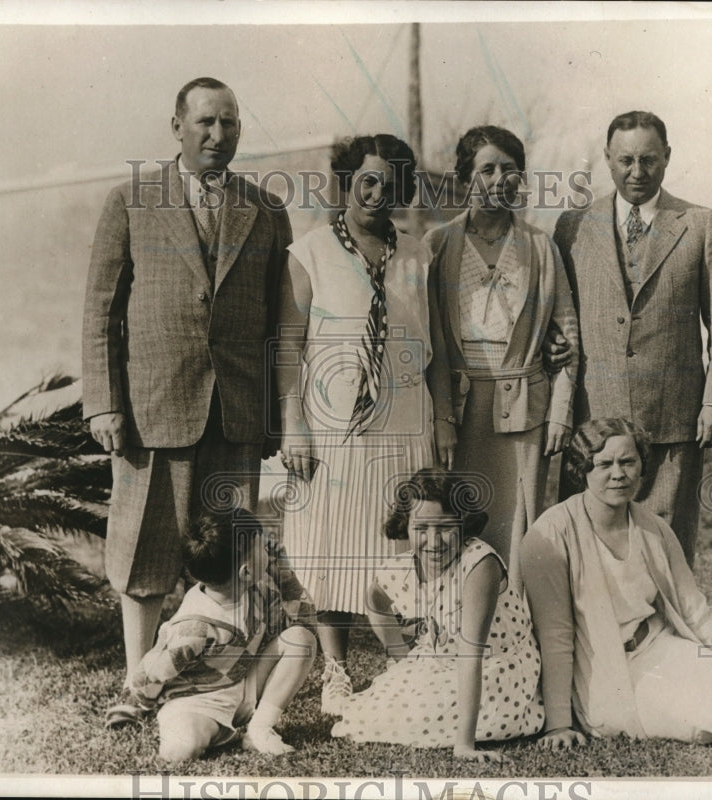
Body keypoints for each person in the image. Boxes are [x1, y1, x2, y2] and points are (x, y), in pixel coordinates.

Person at [82, 77, 292, 728]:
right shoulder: (130, 202)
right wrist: (102, 404)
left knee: (229, 558)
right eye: (204, 122)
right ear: (176, 126)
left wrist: (274, 417)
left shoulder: (265, 211)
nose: (217, 135)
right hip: (152, 412)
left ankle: (212, 689)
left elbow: (275, 328)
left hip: (233, 413)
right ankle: (134, 687)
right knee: (145, 556)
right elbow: (99, 314)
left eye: (229, 123)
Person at [276, 134, 455, 715]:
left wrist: (445, 420)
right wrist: (292, 424)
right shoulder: (310, 252)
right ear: (347, 182)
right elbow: (286, 347)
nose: (378, 195)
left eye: (390, 184)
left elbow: (440, 348)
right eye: (367, 182)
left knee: (399, 539)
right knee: (331, 543)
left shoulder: (417, 255)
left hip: (404, 418)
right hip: (333, 424)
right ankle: (336, 670)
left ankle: (409, 661)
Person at [521, 418, 712, 752]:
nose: (618, 474)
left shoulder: (653, 528)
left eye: (628, 462)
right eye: (604, 464)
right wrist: (559, 723)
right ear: (582, 470)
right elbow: (555, 635)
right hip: (604, 671)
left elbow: (697, 613)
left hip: (661, 648)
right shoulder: (550, 534)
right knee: (708, 718)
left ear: (642, 465)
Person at [552, 111, 712, 567]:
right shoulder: (573, 225)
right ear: (608, 160)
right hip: (595, 418)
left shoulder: (697, 223)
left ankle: (668, 633)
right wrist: (552, 343)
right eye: (626, 160)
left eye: (649, 160)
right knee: (594, 544)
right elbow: (557, 313)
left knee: (667, 545)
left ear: (667, 158)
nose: (637, 172)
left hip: (674, 418)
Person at [423, 125, 578, 588]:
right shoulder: (438, 244)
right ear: (464, 177)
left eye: (509, 170)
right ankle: (451, 626)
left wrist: (560, 414)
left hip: (523, 411)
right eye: (486, 169)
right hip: (459, 407)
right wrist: (442, 417)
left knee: (517, 523)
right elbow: (426, 336)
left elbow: (567, 332)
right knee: (454, 518)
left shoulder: (540, 246)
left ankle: (513, 633)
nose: (498, 180)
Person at [330, 468, 544, 759]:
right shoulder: (403, 568)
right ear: (405, 526)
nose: (433, 542)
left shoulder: (479, 564)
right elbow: (374, 599)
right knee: (369, 713)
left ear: (463, 524)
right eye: (421, 528)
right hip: (441, 662)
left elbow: (472, 656)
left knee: (419, 716)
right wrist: (399, 656)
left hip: (495, 667)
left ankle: (463, 727)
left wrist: (464, 746)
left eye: (445, 528)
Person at [130, 508, 317, 761]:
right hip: (198, 701)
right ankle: (202, 729)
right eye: (263, 548)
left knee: (301, 639)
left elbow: (304, 622)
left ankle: (259, 728)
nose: (271, 552)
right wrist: (140, 703)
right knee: (180, 749)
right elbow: (151, 674)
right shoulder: (193, 628)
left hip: (243, 689)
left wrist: (283, 572)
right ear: (246, 572)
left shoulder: (257, 593)